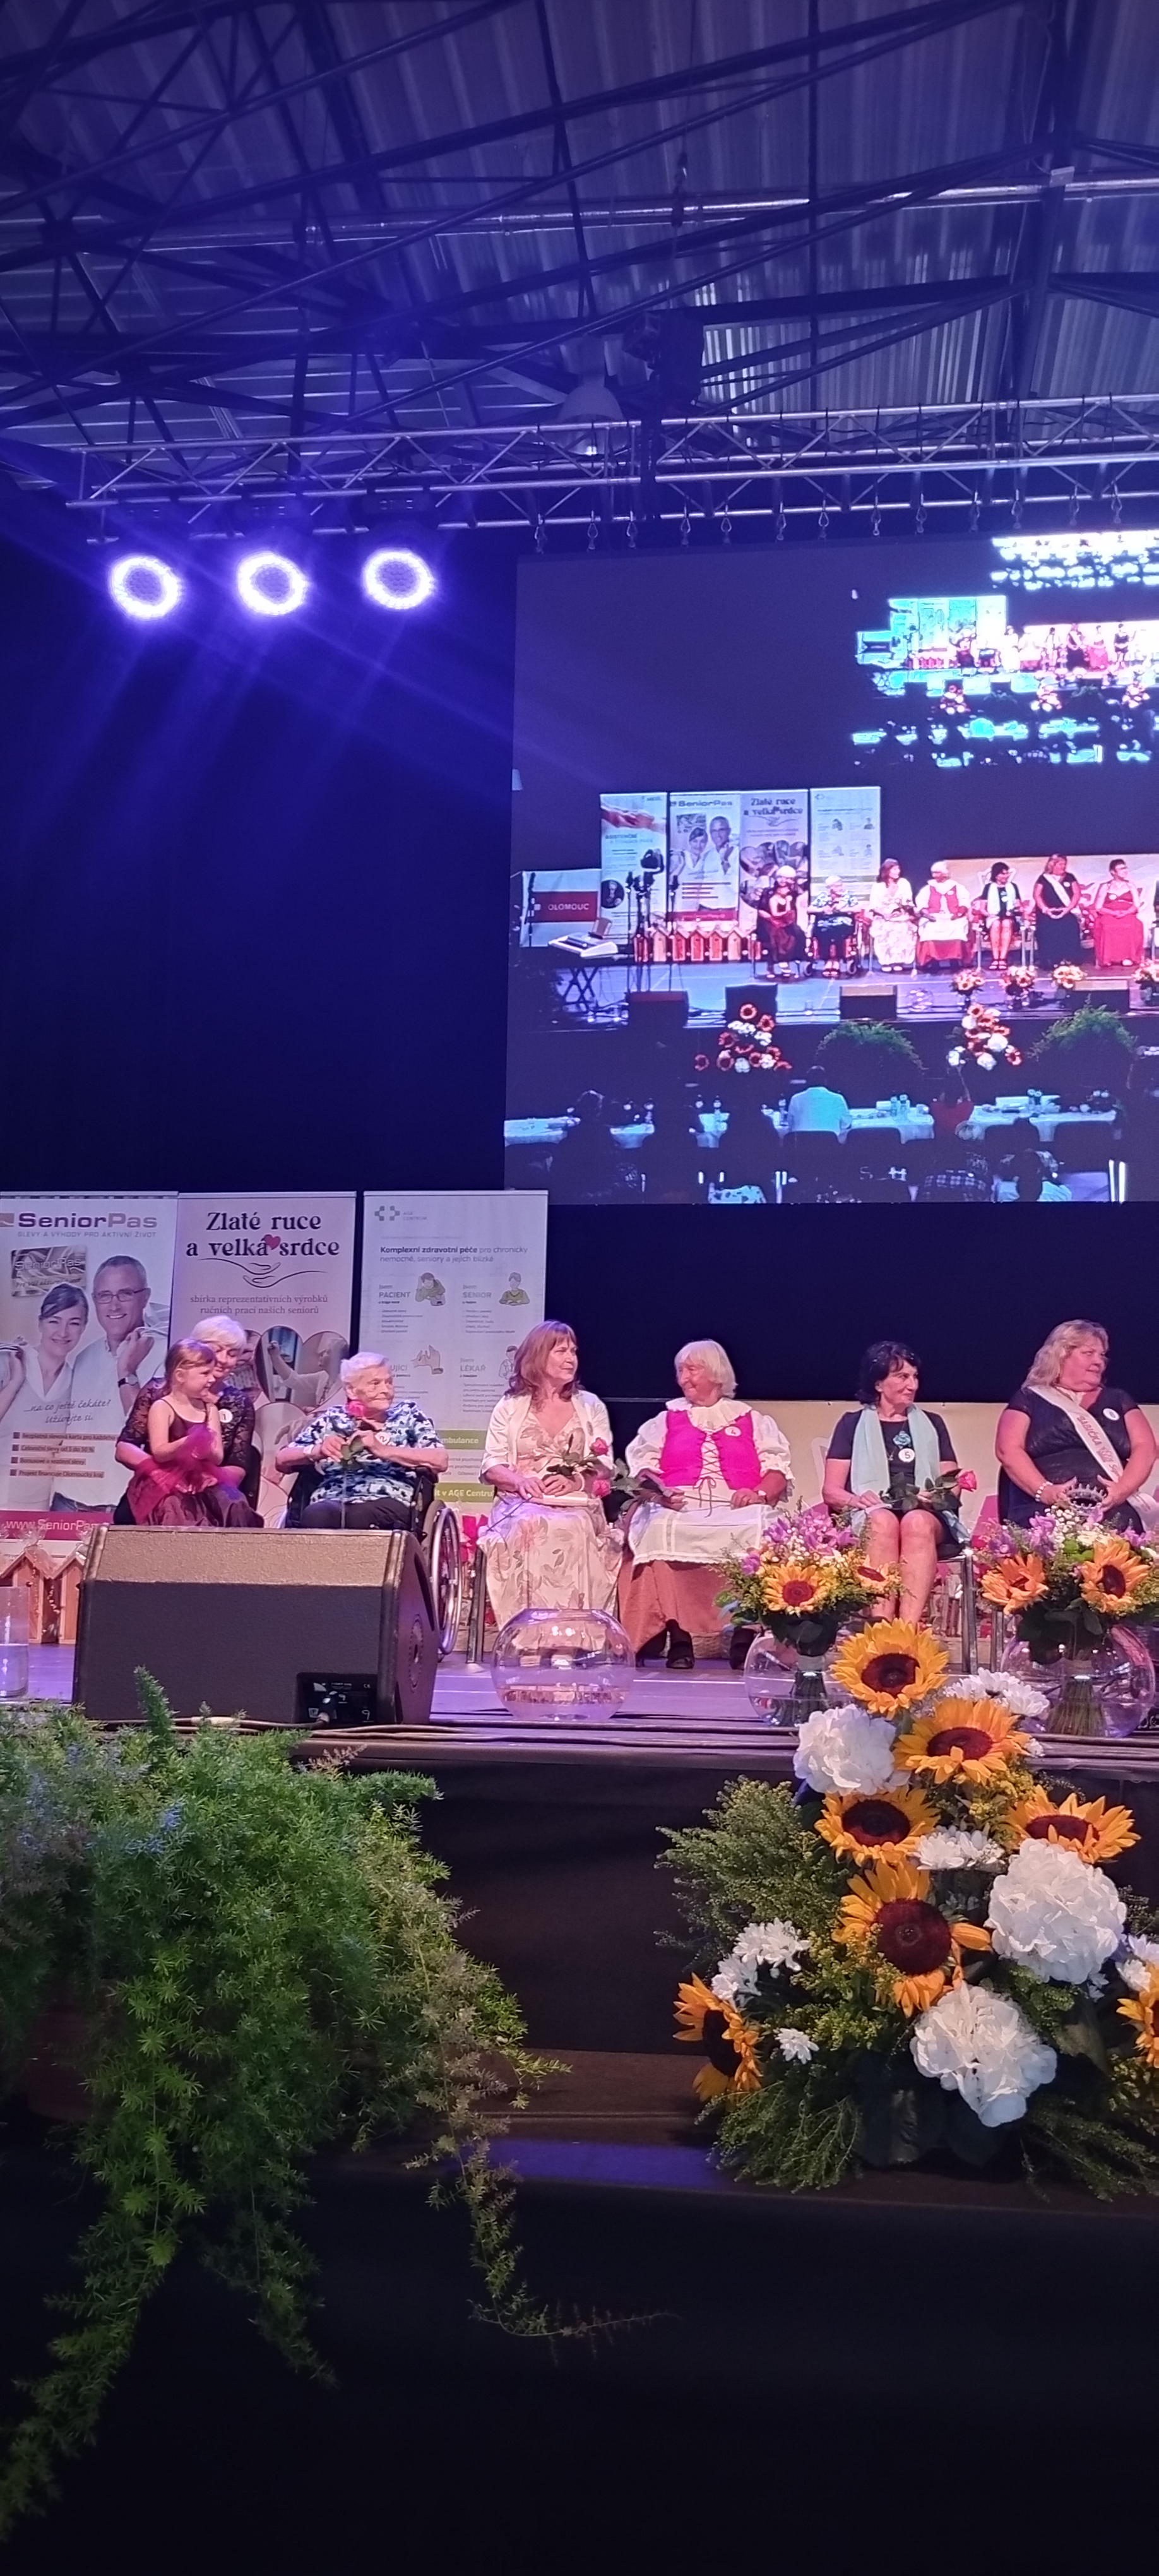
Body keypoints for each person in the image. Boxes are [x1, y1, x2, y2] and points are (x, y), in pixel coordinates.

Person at [618, 1341, 791, 1669]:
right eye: (680, 1371)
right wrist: (661, 1494)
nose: (683, 1378)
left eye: (692, 1370)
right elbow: (643, 1470)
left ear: (715, 1373)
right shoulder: (665, 1420)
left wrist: (758, 1494)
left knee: (763, 1527)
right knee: (656, 1527)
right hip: (679, 1505)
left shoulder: (752, 1420)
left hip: (737, 1506)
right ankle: (679, 1638)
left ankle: (745, 1635)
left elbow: (777, 1470)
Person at [477, 1321, 621, 1626]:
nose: (571, 1358)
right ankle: (530, 1635)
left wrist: (576, 1480)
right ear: (539, 1356)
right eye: (561, 1351)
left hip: (577, 1502)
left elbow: (605, 1464)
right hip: (521, 1501)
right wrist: (520, 1481)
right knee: (530, 1524)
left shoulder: (590, 1405)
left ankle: (572, 1634)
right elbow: (492, 1465)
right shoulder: (510, 1406)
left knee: (573, 1526)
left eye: (573, 1351)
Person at [822, 1341, 963, 1626]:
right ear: (878, 1384)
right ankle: (882, 1626)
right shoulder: (851, 1425)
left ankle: (908, 1630)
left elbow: (953, 1483)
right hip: (870, 1515)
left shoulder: (933, 1423)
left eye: (915, 1377)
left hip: (925, 1514)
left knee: (916, 1522)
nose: (913, 1385)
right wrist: (856, 1500)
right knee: (882, 1521)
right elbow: (831, 1491)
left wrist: (935, 1496)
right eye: (902, 1377)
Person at [995, 1319, 1156, 1534]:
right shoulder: (1029, 1398)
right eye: (1089, 1353)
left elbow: (1146, 1448)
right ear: (1061, 1355)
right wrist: (1045, 1491)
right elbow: (1008, 1449)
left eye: (1102, 1355)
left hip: (1116, 1514)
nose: (1099, 1361)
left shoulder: (1119, 1399)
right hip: (1043, 1515)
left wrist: (1122, 1490)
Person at [274, 1351, 447, 1530]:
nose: (386, 1390)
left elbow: (440, 1459)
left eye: (389, 1382)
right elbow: (282, 1460)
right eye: (375, 1384)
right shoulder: (332, 1418)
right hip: (332, 1497)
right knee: (316, 1515)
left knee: (360, 1517)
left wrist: (383, 1450)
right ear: (351, 1390)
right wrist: (317, 1451)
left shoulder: (407, 1414)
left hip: (389, 1498)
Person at [115, 1315, 259, 1513]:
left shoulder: (239, 1403)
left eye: (233, 1354)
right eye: (216, 1350)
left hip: (209, 1495)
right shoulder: (157, 1392)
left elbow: (238, 1465)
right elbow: (125, 1448)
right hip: (157, 1490)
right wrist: (161, 1475)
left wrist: (210, 1481)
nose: (224, 1360)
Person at [0, 1286, 89, 1509]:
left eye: (74, 1323)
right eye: (54, 1321)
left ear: (84, 1327)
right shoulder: (9, 1361)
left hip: (40, 1502)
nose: (63, 1332)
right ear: (40, 1323)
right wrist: (15, 1383)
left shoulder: (76, 1380)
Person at [1091, 857, 1144, 971]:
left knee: (1132, 925)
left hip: (1127, 913)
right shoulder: (1106, 886)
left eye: (1125, 868)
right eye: (1121, 869)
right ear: (1113, 872)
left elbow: (1136, 905)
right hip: (1109, 914)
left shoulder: (1130, 885)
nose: (1125, 871)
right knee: (1107, 926)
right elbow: (1098, 907)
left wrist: (1125, 912)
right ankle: (1108, 958)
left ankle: (1128, 957)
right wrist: (1113, 913)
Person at [915, 861, 970, 969]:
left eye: (937, 873)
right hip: (934, 917)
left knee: (957, 927)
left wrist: (958, 914)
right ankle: (933, 961)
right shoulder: (928, 888)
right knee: (929, 929)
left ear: (945, 873)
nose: (934, 875)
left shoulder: (957, 887)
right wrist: (928, 916)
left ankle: (955, 960)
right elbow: (922, 904)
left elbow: (964, 903)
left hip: (953, 917)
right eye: (933, 873)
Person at [1033, 857, 1083, 967]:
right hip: (1048, 913)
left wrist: (1068, 908)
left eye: (1064, 864)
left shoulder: (1069, 877)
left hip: (1066, 911)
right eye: (1060, 864)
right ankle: (1051, 960)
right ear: (1052, 865)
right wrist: (1045, 909)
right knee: (1047, 930)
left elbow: (1076, 894)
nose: (1063, 867)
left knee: (1070, 927)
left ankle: (1070, 959)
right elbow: (1037, 895)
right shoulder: (1043, 878)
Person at [868, 859, 917, 972]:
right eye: (894, 869)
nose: (898, 871)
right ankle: (886, 962)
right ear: (887, 870)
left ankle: (899, 961)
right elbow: (874, 905)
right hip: (883, 916)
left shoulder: (904, 883)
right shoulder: (878, 886)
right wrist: (884, 914)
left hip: (900, 915)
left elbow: (908, 901)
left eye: (898, 869)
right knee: (885, 930)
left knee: (901, 929)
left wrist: (901, 909)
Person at [782, 1068, 852, 1140]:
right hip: (830, 1145)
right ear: (825, 1081)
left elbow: (790, 1123)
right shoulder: (838, 1099)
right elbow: (846, 1124)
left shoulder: (795, 1099)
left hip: (801, 1144)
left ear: (807, 1082)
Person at [981, 861, 1023, 968]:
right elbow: (982, 909)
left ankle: (1003, 959)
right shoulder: (988, 888)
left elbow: (1018, 905)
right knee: (996, 924)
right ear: (996, 875)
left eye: (1007, 873)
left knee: (1006, 923)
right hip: (993, 918)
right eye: (1003, 874)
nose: (1006, 876)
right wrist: (990, 915)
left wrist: (1018, 908)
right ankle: (995, 959)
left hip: (1010, 917)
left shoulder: (1013, 887)